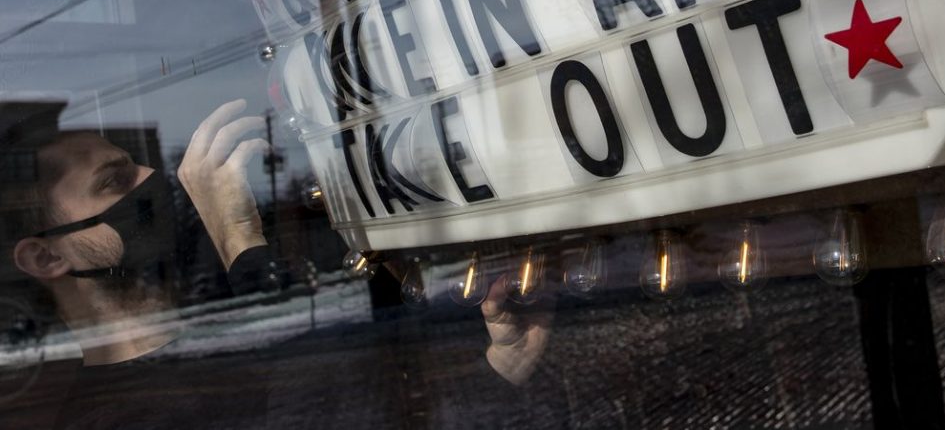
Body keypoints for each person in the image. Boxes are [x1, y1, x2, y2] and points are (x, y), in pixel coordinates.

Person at [4, 99, 555, 428]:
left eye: (138, 166)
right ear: (46, 255)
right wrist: (239, 242)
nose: (152, 181)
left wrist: (499, 368)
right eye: (114, 183)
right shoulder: (110, 415)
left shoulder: (207, 350)